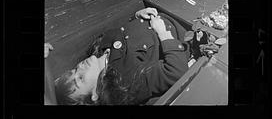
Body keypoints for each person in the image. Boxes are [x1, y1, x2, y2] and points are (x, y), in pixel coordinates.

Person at [53, 8, 189, 105]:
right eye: (81, 78)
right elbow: (175, 72)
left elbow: (124, 33)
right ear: (94, 95)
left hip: (164, 9)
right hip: (182, 25)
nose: (80, 67)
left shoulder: (98, 50)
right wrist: (163, 33)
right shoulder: (126, 82)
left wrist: (137, 16)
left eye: (74, 71)